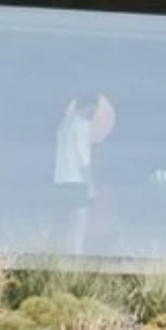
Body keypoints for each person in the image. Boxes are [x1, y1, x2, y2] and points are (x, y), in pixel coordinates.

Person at [53, 94, 99, 255]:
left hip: (61, 180)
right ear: (91, 106)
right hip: (77, 181)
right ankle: (76, 257)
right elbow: (83, 158)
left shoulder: (64, 125)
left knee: (68, 224)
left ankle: (67, 257)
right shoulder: (82, 125)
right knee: (80, 224)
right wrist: (91, 183)